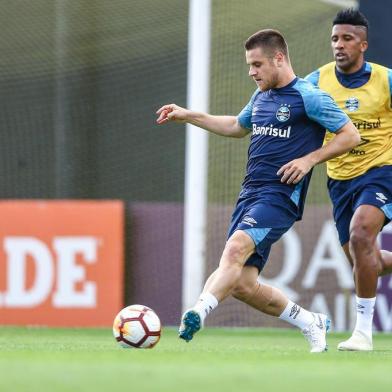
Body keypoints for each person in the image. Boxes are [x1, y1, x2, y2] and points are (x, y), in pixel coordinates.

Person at [157, 29, 360, 353]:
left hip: (280, 197)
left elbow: (350, 135)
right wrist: (188, 115)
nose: (251, 72)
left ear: (278, 58)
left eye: (257, 64)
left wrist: (310, 160)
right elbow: (237, 126)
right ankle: (311, 322)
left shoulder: (308, 96)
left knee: (235, 249)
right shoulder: (261, 96)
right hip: (249, 195)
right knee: (241, 284)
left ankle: (198, 312)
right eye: (249, 65)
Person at [306, 8, 392, 351]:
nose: (339, 45)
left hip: (382, 171)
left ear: (363, 45)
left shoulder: (385, 80)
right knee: (364, 260)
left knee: (360, 234)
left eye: (347, 39)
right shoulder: (317, 81)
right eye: (334, 39)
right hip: (340, 180)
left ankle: (363, 334)